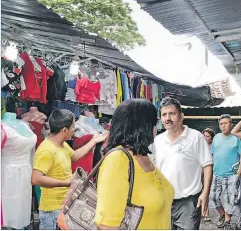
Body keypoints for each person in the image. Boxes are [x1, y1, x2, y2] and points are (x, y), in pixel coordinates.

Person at [95, 99, 174, 229]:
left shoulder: (143, 156)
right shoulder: (118, 159)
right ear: (143, 126)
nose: (157, 128)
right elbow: (107, 225)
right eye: (155, 122)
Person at [31, 109, 108, 230]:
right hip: (52, 211)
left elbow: (75, 156)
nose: (74, 130)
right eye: (73, 127)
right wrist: (67, 182)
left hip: (64, 206)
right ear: (64, 130)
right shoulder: (47, 150)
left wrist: (94, 141)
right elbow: (36, 179)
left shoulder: (62, 144)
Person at [154, 97, 213, 230]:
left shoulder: (195, 137)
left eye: (172, 113)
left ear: (181, 116)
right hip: (164, 202)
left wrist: (205, 193)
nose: (167, 118)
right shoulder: (158, 141)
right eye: (164, 114)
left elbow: (207, 165)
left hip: (188, 202)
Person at [210, 114, 241, 228]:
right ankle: (223, 214)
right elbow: (213, 154)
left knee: (230, 200)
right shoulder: (216, 137)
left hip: (231, 175)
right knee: (212, 198)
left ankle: (227, 221)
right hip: (216, 174)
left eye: (226, 123)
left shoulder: (237, 138)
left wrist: (238, 175)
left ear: (231, 124)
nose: (223, 126)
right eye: (221, 124)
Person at [202, 128, 216, 222]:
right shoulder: (199, 146)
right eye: (204, 135)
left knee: (206, 193)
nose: (205, 138)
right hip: (198, 173)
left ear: (211, 138)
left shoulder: (213, 147)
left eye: (207, 136)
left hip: (208, 173)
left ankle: (206, 213)